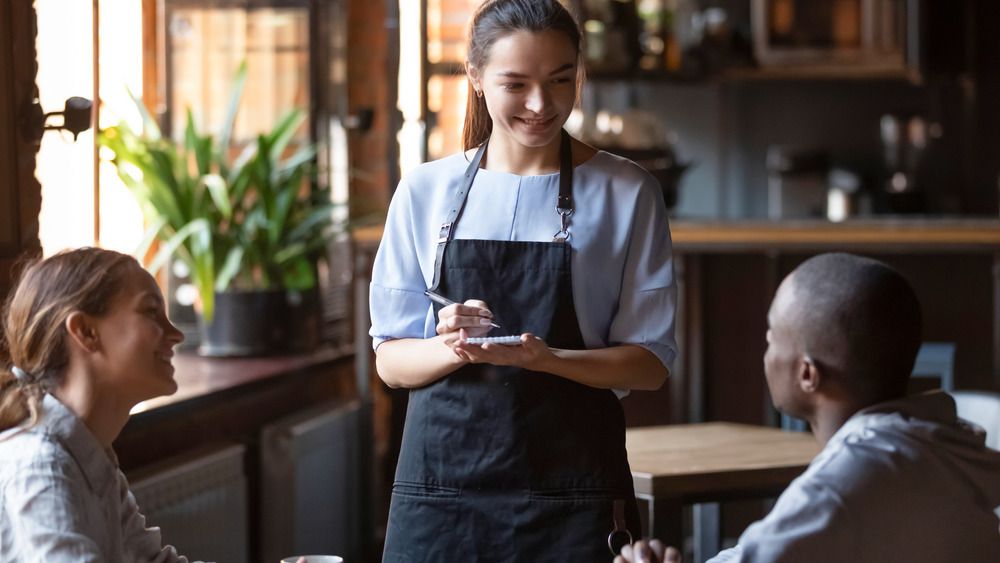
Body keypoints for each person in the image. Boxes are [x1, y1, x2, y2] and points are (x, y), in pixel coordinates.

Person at [368, 0, 677, 559]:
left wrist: (548, 359)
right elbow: (391, 361)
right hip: (442, 497)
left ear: (579, 76)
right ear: (477, 79)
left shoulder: (628, 192)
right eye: (517, 84)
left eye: (561, 80)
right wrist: (452, 348)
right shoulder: (423, 191)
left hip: (574, 495)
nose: (541, 104)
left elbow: (651, 364)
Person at [616, 253, 1000, 563]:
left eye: (771, 339)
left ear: (807, 374)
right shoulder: (942, 449)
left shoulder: (846, 483)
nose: (765, 355)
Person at [0, 247, 201, 562]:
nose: (175, 334)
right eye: (151, 312)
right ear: (86, 332)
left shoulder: (93, 458)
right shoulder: (42, 467)